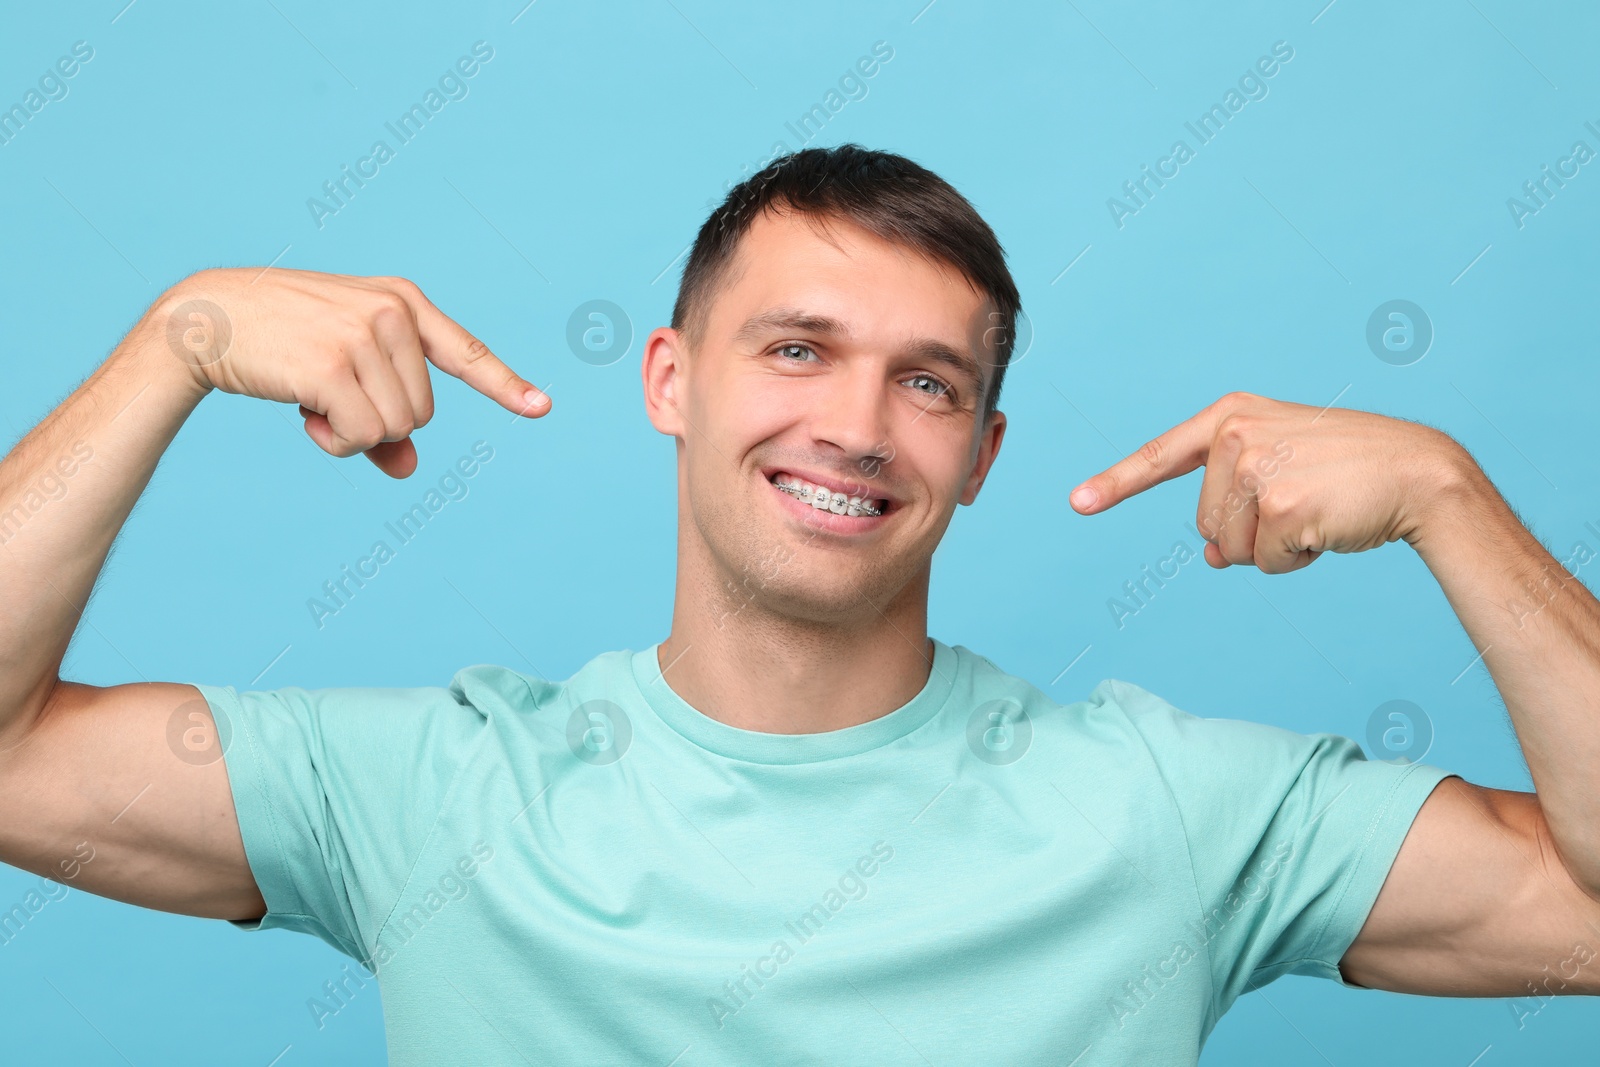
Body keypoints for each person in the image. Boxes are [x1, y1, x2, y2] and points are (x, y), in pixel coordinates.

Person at [0, 145, 1595, 1065]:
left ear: (980, 456)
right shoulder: (438, 796)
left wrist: (1456, 503)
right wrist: (177, 343)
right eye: (795, 349)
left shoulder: (1164, 814)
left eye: (928, 383)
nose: (853, 424)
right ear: (670, 383)